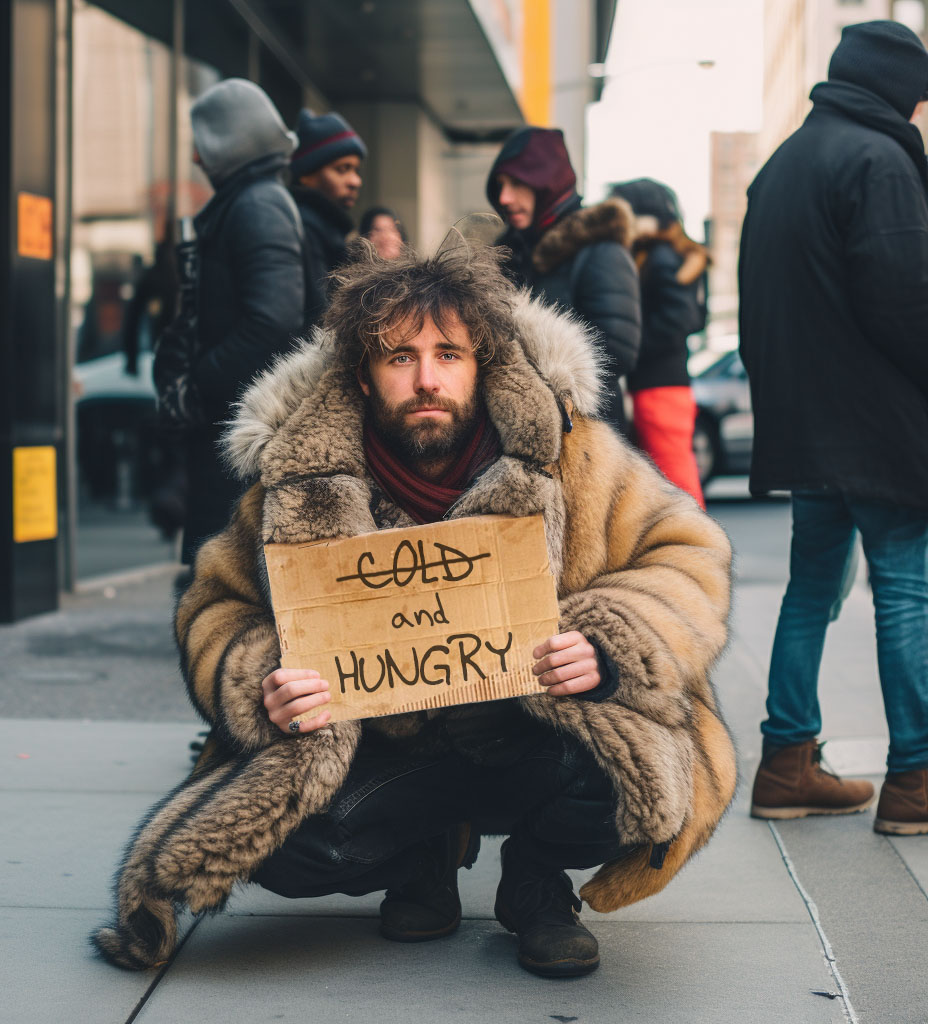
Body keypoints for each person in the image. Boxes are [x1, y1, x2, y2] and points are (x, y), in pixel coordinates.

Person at [93, 244, 736, 979]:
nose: (427, 379)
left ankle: (536, 881)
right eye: (399, 357)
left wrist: (610, 645)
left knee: (641, 769)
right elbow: (215, 604)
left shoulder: (569, 455)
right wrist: (264, 679)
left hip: (531, 737)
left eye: (449, 354)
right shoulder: (302, 477)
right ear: (363, 376)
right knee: (288, 848)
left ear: (482, 361)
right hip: (391, 751)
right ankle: (423, 854)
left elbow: (687, 551)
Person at [738, 20, 928, 834]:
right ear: (895, 89)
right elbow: (907, 303)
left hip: (809, 428)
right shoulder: (877, 161)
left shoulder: (784, 164)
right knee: (905, 591)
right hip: (879, 428)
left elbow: (755, 310)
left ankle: (786, 763)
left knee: (811, 590)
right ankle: (915, 778)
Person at [152, 78, 305, 564]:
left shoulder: (257, 205)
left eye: (205, 143)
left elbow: (273, 322)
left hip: (236, 427)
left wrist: (198, 384)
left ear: (233, 141)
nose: (197, 159)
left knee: (225, 581)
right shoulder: (251, 203)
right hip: (231, 422)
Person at [487, 127, 641, 435]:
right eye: (500, 185)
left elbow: (616, 351)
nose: (504, 198)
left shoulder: (600, 251)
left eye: (517, 183)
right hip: (516, 433)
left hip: (584, 437)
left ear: (548, 184)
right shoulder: (509, 254)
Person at [608, 179, 709, 506]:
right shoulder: (665, 254)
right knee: (669, 478)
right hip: (661, 383)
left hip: (661, 384)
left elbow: (683, 318)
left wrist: (631, 344)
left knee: (675, 479)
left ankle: (696, 552)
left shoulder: (662, 257)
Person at [290, 108, 367, 327]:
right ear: (307, 175)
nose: (355, 181)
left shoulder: (328, 227)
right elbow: (319, 315)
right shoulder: (305, 227)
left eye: (356, 170)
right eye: (343, 169)